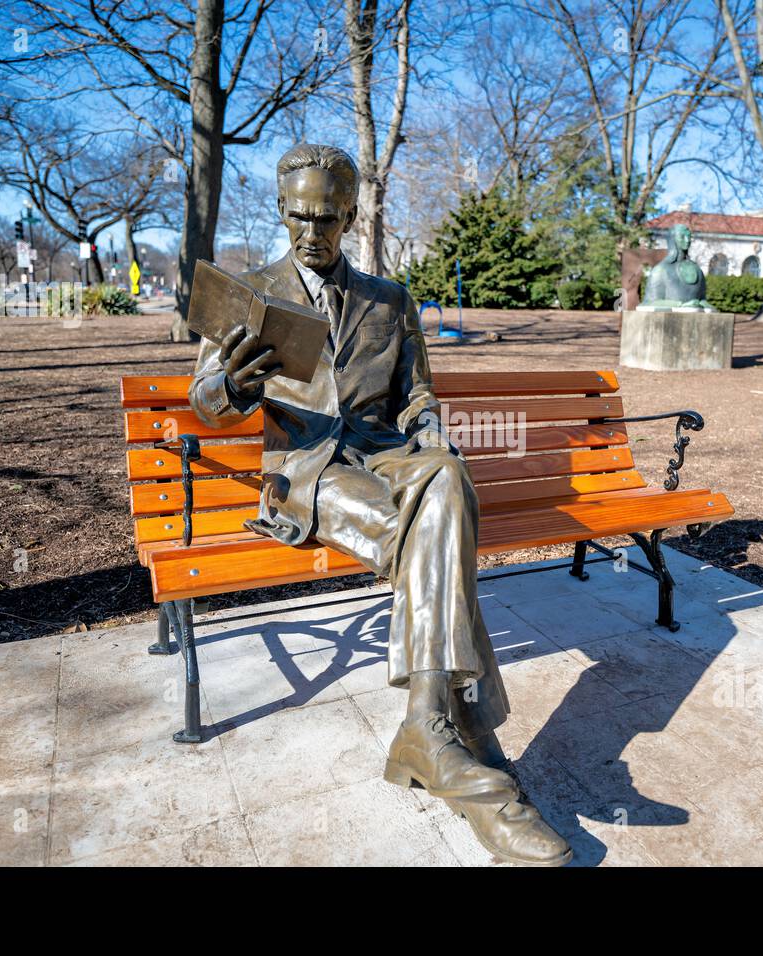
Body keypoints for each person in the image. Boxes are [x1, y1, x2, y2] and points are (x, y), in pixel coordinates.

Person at [189, 143, 571, 866]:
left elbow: (418, 396)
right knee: (437, 530)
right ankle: (462, 731)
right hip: (309, 471)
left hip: (388, 458)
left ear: (351, 216)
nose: (312, 232)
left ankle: (427, 729)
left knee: (448, 479)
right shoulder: (251, 293)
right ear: (281, 210)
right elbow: (206, 405)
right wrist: (232, 388)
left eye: (328, 217)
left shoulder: (390, 302)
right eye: (299, 216)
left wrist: (431, 433)